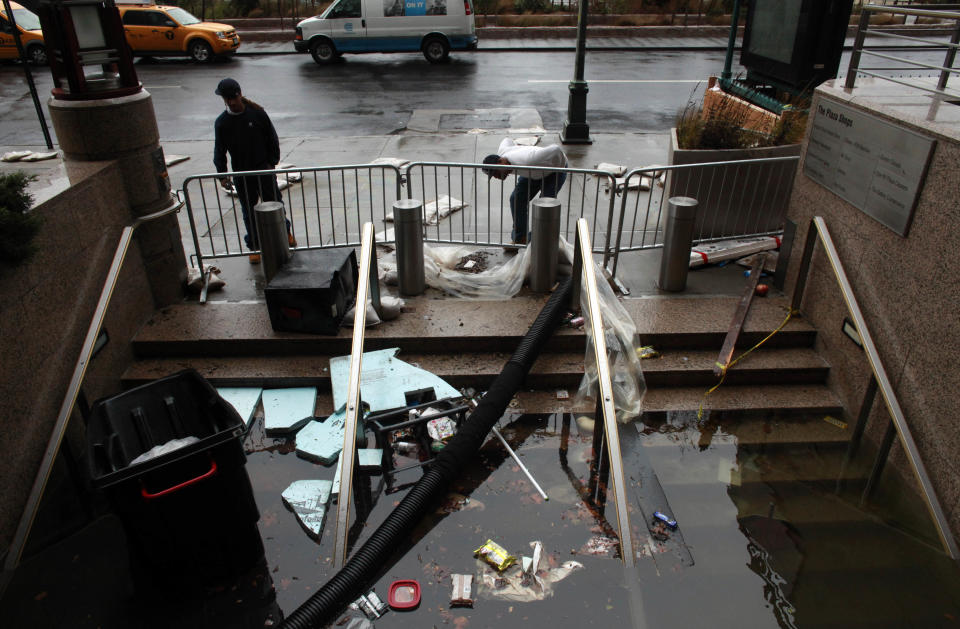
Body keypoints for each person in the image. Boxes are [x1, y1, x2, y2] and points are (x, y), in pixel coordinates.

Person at [213, 77, 294, 264]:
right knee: (249, 211)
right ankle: (255, 246)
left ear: (240, 94)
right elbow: (220, 149)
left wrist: (272, 162)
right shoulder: (222, 123)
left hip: (263, 169)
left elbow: (271, 138)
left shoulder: (257, 114)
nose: (232, 102)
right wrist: (222, 174)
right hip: (242, 174)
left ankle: (286, 233)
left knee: (275, 203)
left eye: (234, 98)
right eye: (227, 99)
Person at [482, 138, 568, 245]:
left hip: (554, 170)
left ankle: (537, 240)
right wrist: (518, 147)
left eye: (496, 173)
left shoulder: (529, 160)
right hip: (532, 172)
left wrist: (559, 167)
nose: (496, 177)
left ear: (501, 161)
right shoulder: (503, 153)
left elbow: (556, 149)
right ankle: (520, 239)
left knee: (545, 204)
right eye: (493, 175)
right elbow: (506, 140)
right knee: (516, 199)